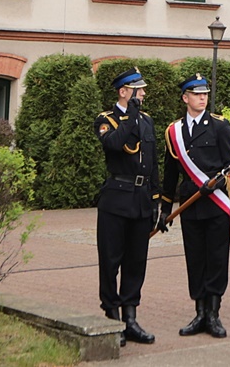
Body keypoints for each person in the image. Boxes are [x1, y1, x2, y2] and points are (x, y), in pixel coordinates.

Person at [165, 75, 230, 339]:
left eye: (205, 93)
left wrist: (217, 182)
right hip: (190, 204)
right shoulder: (174, 131)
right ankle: (199, 313)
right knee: (195, 259)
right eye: (196, 94)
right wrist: (164, 210)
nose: (202, 97)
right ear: (185, 98)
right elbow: (170, 173)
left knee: (217, 258)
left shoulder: (220, 126)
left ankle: (214, 314)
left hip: (215, 204)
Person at [94, 68, 159, 345]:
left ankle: (130, 317)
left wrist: (156, 200)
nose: (143, 94)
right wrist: (130, 115)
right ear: (124, 91)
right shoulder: (105, 119)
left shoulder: (146, 121)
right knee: (111, 261)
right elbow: (115, 144)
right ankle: (111, 316)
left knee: (136, 262)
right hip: (116, 199)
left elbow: (153, 162)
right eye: (138, 89)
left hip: (141, 199)